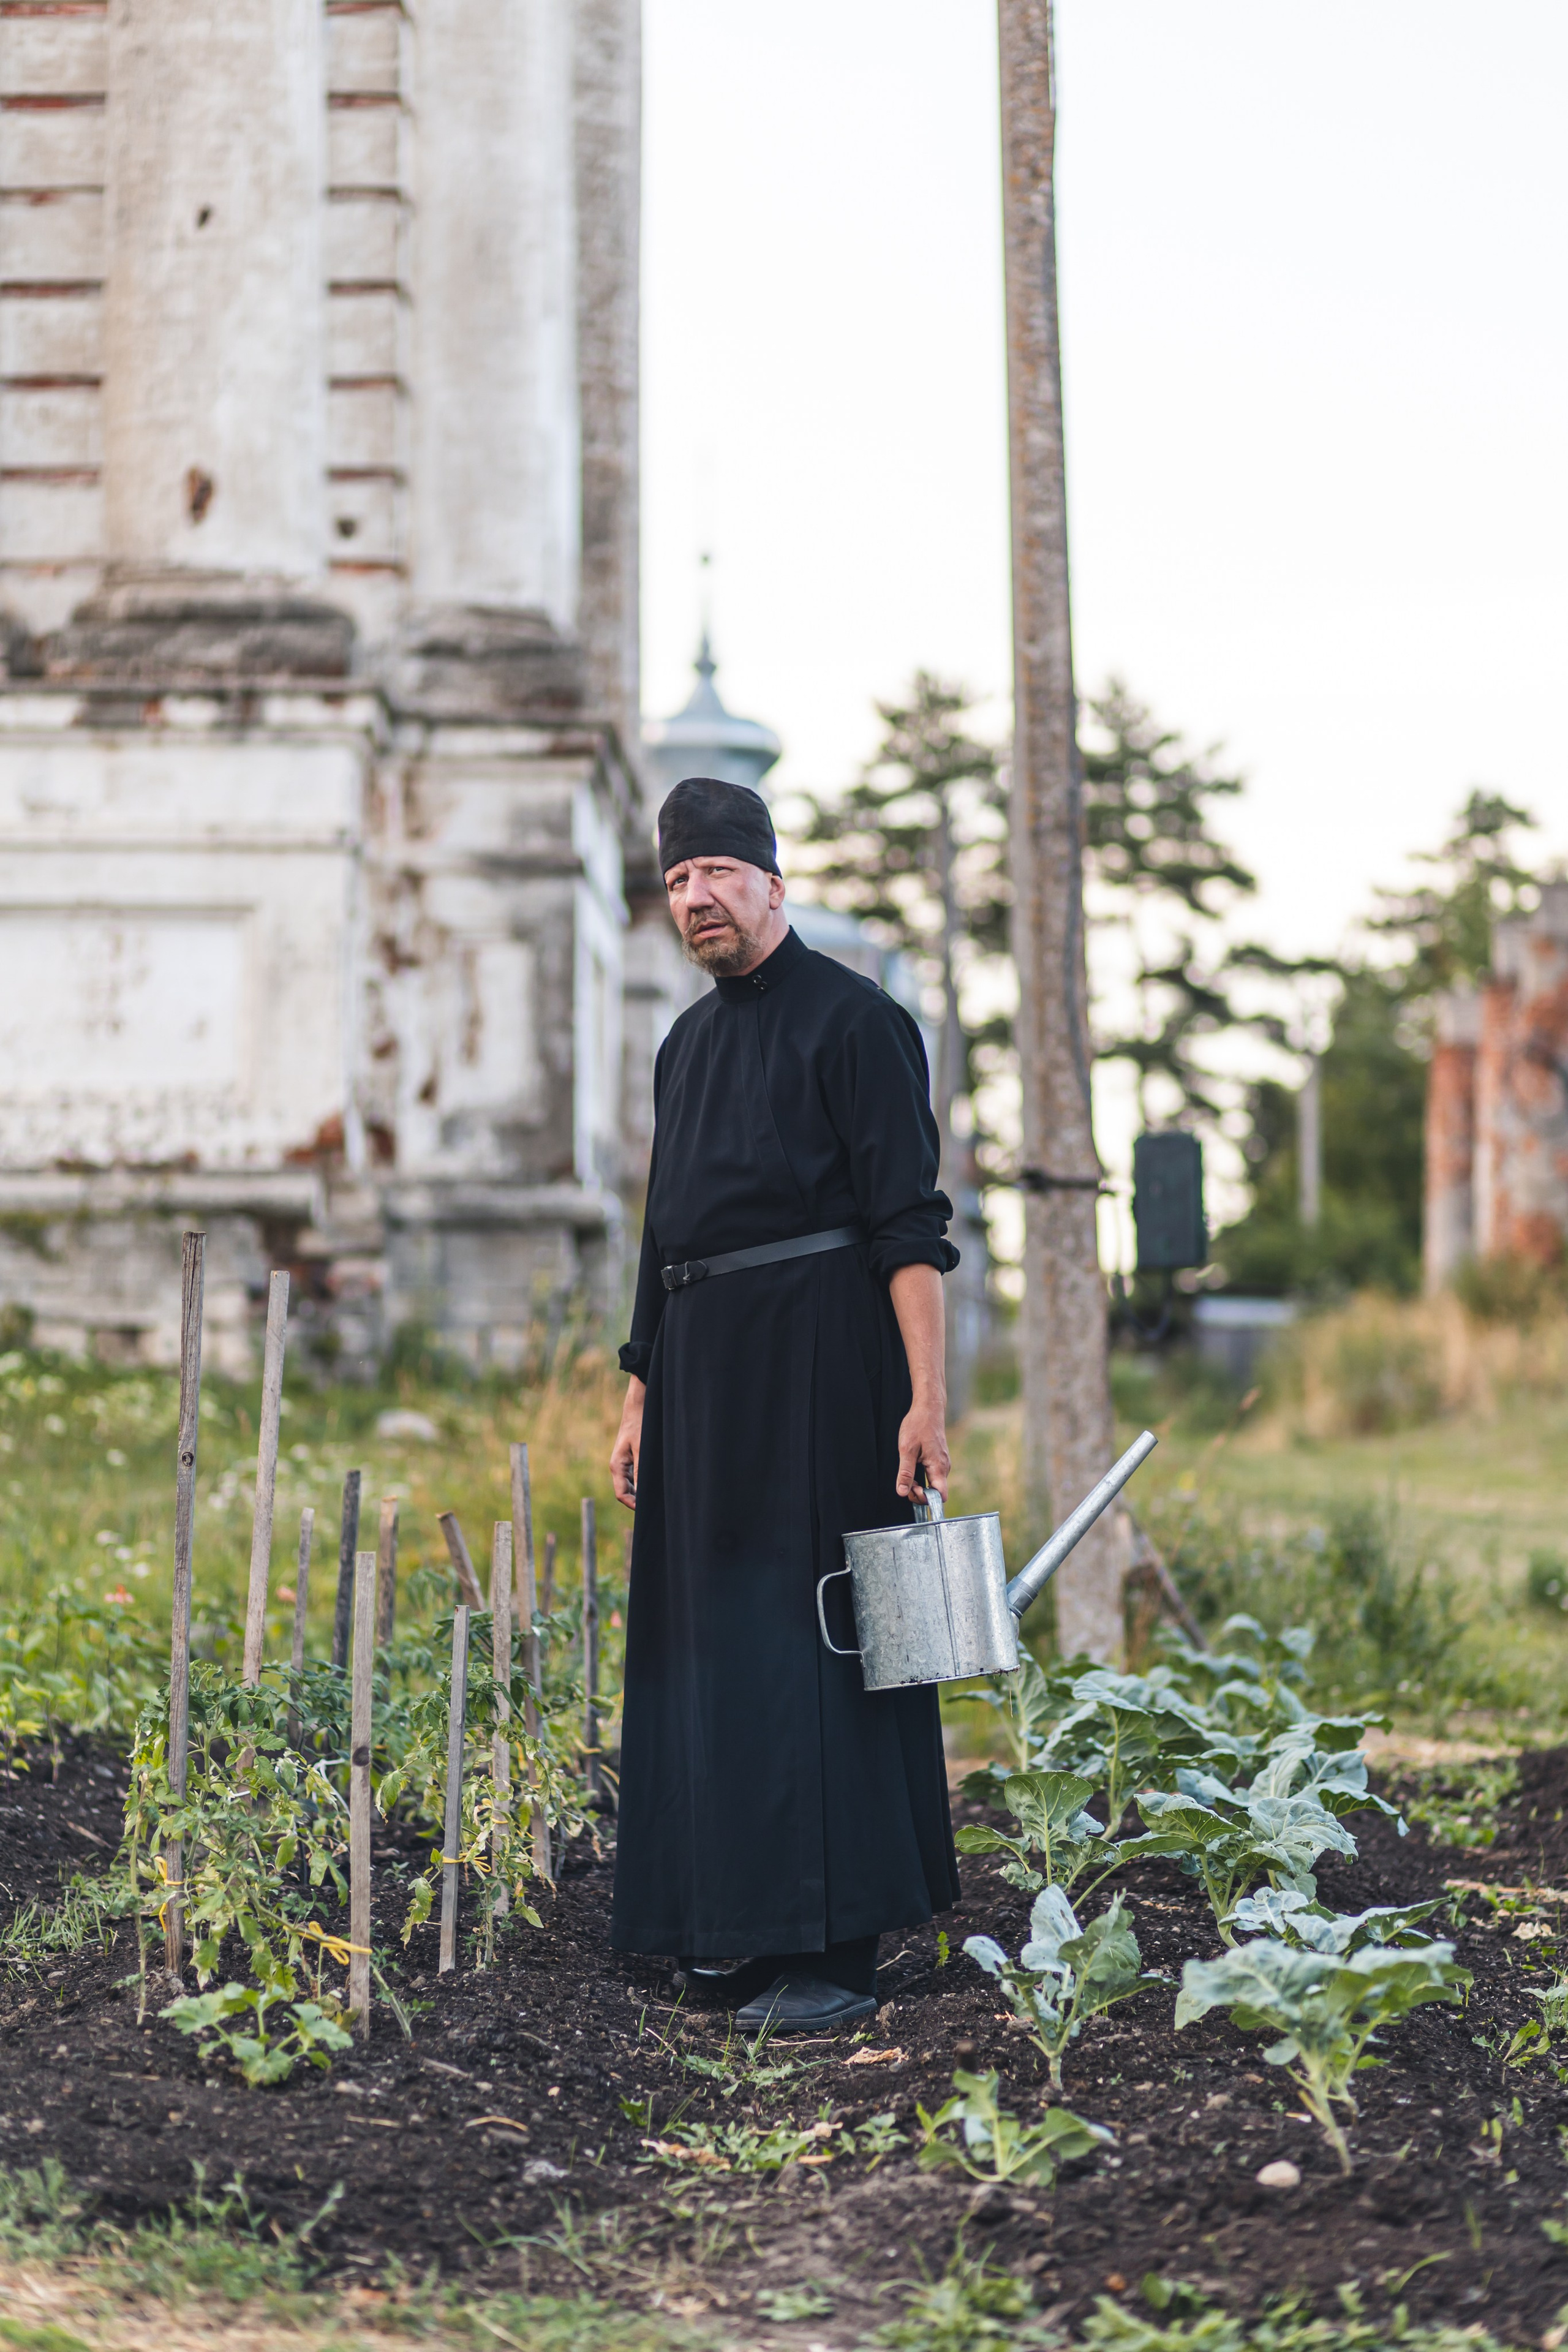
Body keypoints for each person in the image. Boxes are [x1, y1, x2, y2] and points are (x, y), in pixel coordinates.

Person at [608, 773, 961, 2032]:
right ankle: (731, 1928)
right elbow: (665, 1233)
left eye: (713, 874)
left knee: (823, 1645)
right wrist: (640, 1384)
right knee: (713, 1645)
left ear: (769, 878)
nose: (694, 899)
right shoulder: (683, 1046)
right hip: (701, 1379)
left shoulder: (856, 1023)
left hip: (823, 1364)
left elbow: (908, 1227)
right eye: (675, 882)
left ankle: (836, 1954)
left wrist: (925, 1398)